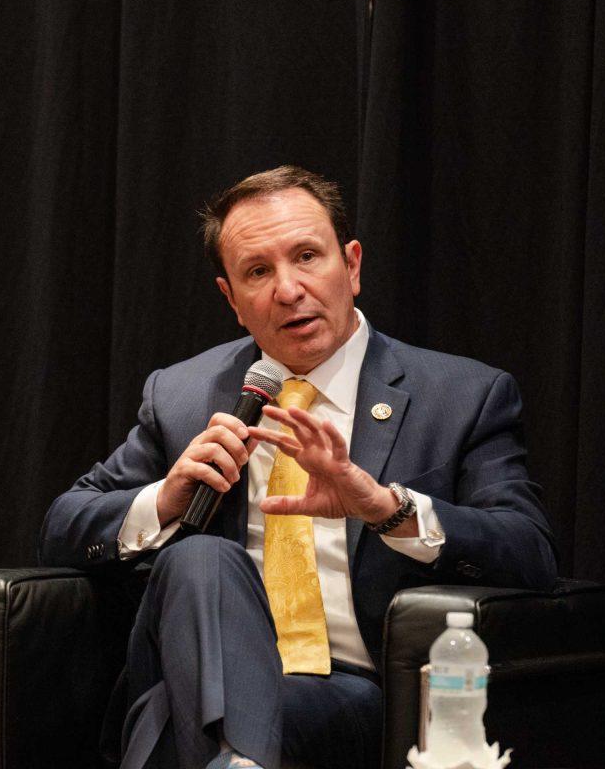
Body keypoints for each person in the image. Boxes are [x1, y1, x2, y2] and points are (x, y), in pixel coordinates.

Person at [41, 166, 557, 769]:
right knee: (198, 556)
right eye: (258, 272)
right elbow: (62, 524)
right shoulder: (183, 397)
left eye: (308, 256)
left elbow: (530, 548)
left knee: (160, 726)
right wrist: (166, 499)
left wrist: (386, 508)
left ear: (353, 265)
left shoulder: (462, 395)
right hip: (199, 672)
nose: (288, 290)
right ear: (232, 300)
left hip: (351, 695)